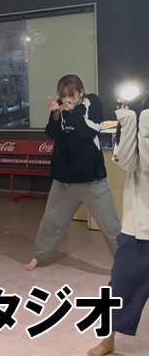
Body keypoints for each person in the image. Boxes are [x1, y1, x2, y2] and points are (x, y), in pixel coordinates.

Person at [25, 74, 121, 271]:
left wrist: (73, 111)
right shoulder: (60, 106)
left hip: (92, 179)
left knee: (111, 226)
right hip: (64, 178)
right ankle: (39, 256)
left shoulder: (92, 103)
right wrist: (55, 114)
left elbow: (89, 131)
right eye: (63, 96)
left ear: (81, 92)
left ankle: (125, 266)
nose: (66, 100)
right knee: (51, 221)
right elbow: (53, 133)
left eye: (70, 95)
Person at [87, 100, 149, 356]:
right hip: (137, 228)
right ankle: (108, 339)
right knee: (120, 285)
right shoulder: (139, 120)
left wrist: (143, 120)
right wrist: (128, 120)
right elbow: (126, 162)